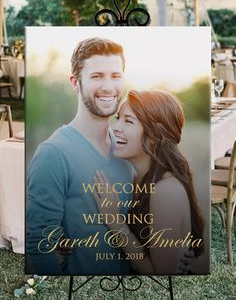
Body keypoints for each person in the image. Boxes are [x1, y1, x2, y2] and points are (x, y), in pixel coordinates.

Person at [27, 37, 194, 275]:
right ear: (75, 83)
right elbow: (39, 245)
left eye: (115, 76)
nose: (108, 87)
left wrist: (179, 253)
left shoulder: (128, 149)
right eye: (96, 76)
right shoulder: (53, 154)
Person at [93, 89, 204, 274]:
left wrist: (116, 223)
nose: (115, 127)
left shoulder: (166, 191)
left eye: (128, 121)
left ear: (154, 136)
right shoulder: (136, 177)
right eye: (118, 118)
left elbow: (161, 275)